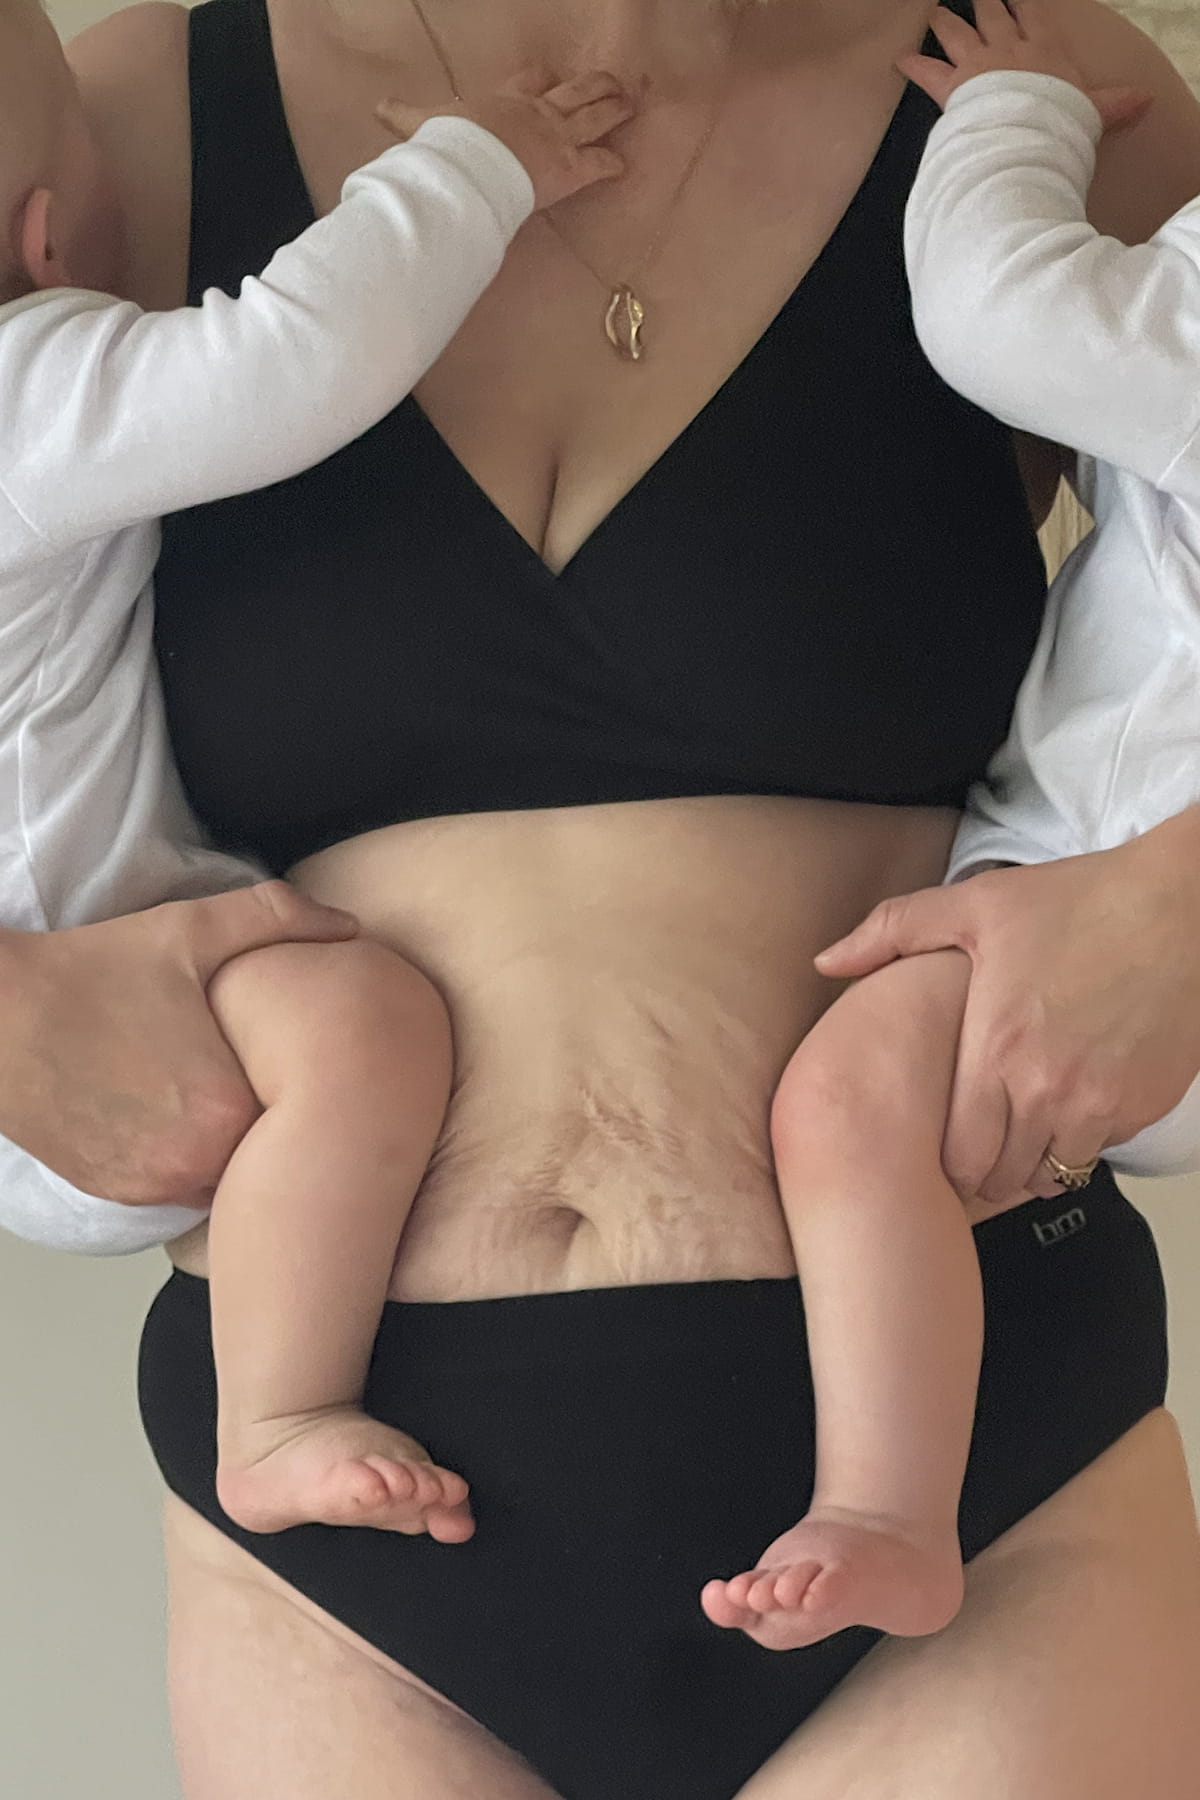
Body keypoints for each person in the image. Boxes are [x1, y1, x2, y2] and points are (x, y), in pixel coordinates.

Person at [3, 1, 1200, 1797]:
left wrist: (1189, 896)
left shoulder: (1018, 78)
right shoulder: (111, 118)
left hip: (985, 1473)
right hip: (340, 1541)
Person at [0, 0, 633, 1535]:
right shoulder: (27, 385)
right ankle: (276, 1414)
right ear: (46, 238)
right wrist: (474, 166)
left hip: (85, 1013)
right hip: (101, 1030)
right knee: (358, 1026)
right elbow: (292, 358)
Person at [703, 0, 1200, 1656]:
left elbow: (1002, 313)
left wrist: (1014, 116)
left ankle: (884, 1510)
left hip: (1110, 893)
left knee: (852, 1105)